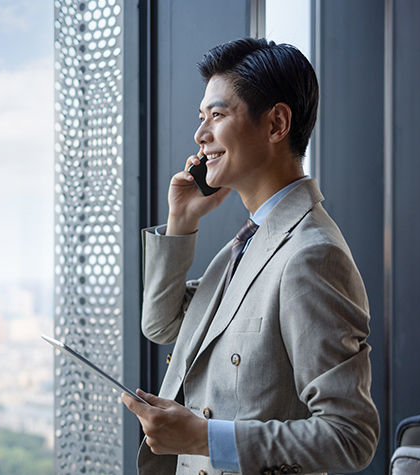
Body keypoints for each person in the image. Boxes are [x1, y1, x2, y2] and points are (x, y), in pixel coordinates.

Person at [122, 38, 380, 475]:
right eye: (201, 119)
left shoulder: (311, 254)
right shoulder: (245, 245)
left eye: (217, 115)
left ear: (277, 122)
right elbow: (161, 324)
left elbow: (350, 436)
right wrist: (181, 222)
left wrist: (203, 438)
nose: (200, 135)